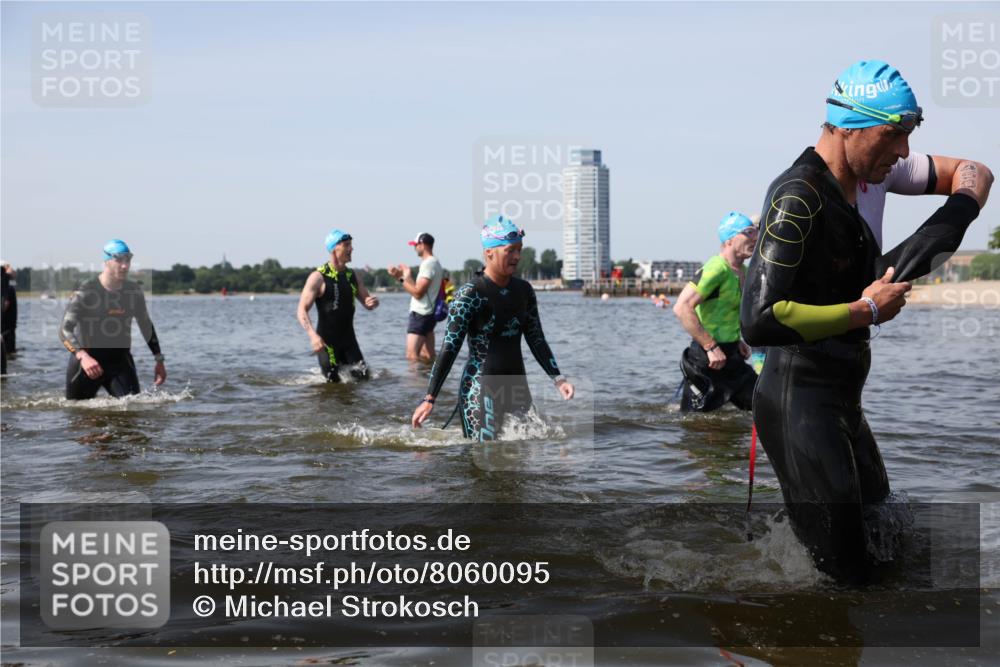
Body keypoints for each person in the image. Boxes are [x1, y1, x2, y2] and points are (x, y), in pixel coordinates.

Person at [741, 60, 993, 583]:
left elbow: (976, 170)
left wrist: (964, 203)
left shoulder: (877, 170)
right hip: (797, 397)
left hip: (843, 397)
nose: (902, 152)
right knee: (850, 577)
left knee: (888, 532)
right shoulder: (798, 196)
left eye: (909, 136)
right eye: (893, 136)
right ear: (850, 125)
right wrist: (866, 309)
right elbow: (758, 320)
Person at [411, 215, 574, 441]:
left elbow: (536, 338)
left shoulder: (524, 291)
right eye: (510, 250)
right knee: (483, 460)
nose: (517, 256)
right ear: (489, 252)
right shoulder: (470, 294)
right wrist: (430, 398)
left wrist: (558, 379)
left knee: (525, 459)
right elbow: (449, 348)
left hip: (517, 387)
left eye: (520, 249)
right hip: (480, 389)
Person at [672, 212, 758, 412]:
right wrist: (710, 347)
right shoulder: (716, 268)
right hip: (706, 360)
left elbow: (726, 310)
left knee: (763, 403)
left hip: (731, 356)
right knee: (696, 424)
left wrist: (737, 340)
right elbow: (682, 307)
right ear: (729, 240)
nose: (755, 238)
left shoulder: (742, 271)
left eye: (756, 232)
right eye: (748, 232)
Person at [59, 240, 167, 399]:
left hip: (120, 363)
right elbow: (64, 329)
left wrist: (159, 359)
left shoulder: (133, 291)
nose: (125, 265)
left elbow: (145, 325)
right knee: (78, 417)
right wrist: (82, 356)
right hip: (87, 364)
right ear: (106, 261)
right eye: (119, 259)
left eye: (128, 259)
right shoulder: (86, 290)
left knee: (131, 414)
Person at [297, 229, 379, 382]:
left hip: (349, 341)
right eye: (347, 245)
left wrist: (373, 302)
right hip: (327, 344)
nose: (351, 249)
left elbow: (368, 303)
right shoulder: (318, 277)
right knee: (332, 381)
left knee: (364, 379)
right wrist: (313, 336)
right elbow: (301, 310)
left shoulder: (353, 276)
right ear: (335, 248)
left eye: (351, 245)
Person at [388, 232, 443, 362]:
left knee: (411, 356)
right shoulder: (434, 262)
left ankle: (414, 382)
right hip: (428, 313)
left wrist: (399, 278)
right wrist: (407, 277)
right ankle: (431, 380)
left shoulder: (428, 264)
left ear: (422, 245)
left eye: (415, 245)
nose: (414, 248)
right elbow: (419, 288)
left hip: (421, 314)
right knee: (428, 355)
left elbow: (418, 293)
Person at [2, 263, 18, 357]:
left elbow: (4, 306)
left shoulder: (7, 288)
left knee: (9, 355)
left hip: (7, 332)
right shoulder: (6, 287)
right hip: (6, 331)